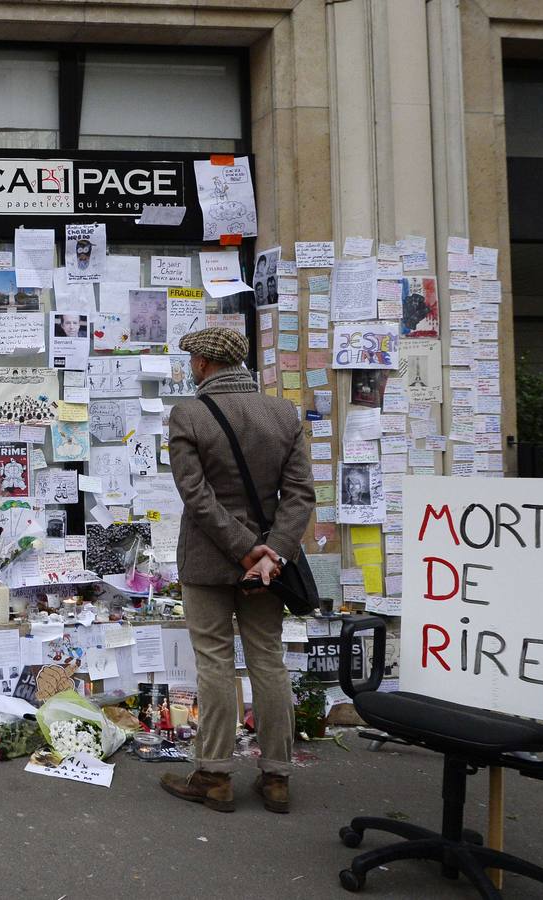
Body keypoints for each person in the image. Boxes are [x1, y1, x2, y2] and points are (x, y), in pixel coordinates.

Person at [161, 326, 314, 815]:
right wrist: (272, 552)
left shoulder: (189, 414)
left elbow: (197, 496)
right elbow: (299, 495)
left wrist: (245, 550)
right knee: (268, 659)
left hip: (209, 561)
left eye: (193, 361)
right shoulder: (282, 413)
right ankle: (276, 777)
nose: (191, 368)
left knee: (214, 663)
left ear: (204, 364)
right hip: (269, 567)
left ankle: (214, 775)